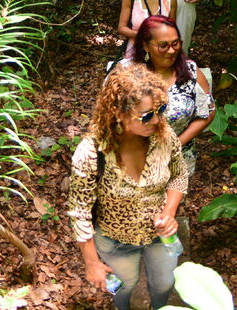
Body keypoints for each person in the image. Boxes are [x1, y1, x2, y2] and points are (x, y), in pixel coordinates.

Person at [68, 65, 188, 310]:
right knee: (125, 286)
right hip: (116, 239)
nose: (156, 120)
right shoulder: (92, 152)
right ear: (117, 113)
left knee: (165, 283)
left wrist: (170, 211)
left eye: (161, 110)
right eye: (146, 116)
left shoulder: (164, 136)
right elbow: (80, 211)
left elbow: (179, 174)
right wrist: (91, 263)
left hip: (160, 235)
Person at [123, 15, 215, 176]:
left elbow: (208, 111)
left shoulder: (191, 72)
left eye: (175, 43)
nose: (172, 50)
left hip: (176, 161)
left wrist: (175, 145)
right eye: (163, 45)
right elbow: (107, 114)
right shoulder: (126, 72)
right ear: (145, 45)